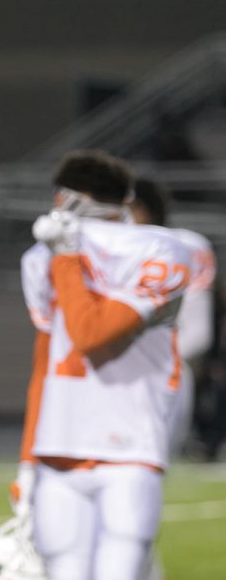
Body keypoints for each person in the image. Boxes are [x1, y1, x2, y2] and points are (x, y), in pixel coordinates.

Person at [15, 150, 191, 579]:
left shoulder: (53, 254)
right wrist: (28, 459)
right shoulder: (45, 257)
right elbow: (46, 361)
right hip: (64, 447)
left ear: (64, 199)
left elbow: (91, 335)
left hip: (127, 448)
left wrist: (69, 257)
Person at [129, 177, 218, 456]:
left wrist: (149, 357)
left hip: (160, 371)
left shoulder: (182, 248)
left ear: (140, 210)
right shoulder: (112, 249)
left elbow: (198, 332)